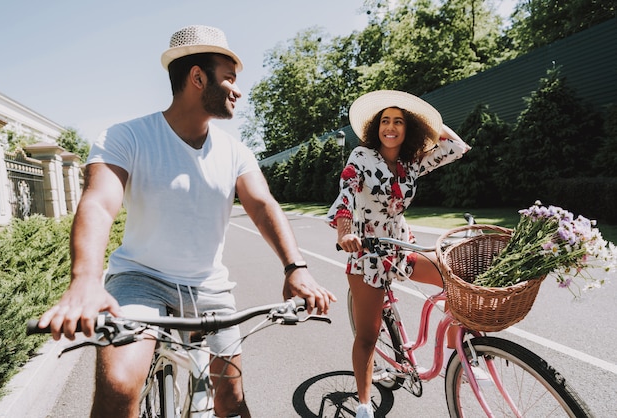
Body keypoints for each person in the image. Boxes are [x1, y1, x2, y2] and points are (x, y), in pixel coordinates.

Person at [37, 25, 336, 418]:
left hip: (210, 289)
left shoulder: (234, 151)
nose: (238, 89)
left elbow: (263, 205)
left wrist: (295, 268)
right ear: (198, 77)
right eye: (229, 77)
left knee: (232, 400)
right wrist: (85, 282)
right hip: (139, 281)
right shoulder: (127, 137)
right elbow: (98, 204)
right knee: (120, 387)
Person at [326, 90, 471, 418]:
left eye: (399, 122)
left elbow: (455, 148)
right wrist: (345, 232)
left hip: (401, 247)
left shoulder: (411, 162)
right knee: (367, 335)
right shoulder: (361, 157)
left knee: (454, 273)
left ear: (408, 129)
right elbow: (346, 194)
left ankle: (460, 351)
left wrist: (428, 122)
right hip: (366, 253)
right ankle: (363, 405)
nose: (390, 127)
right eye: (385, 121)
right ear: (376, 127)